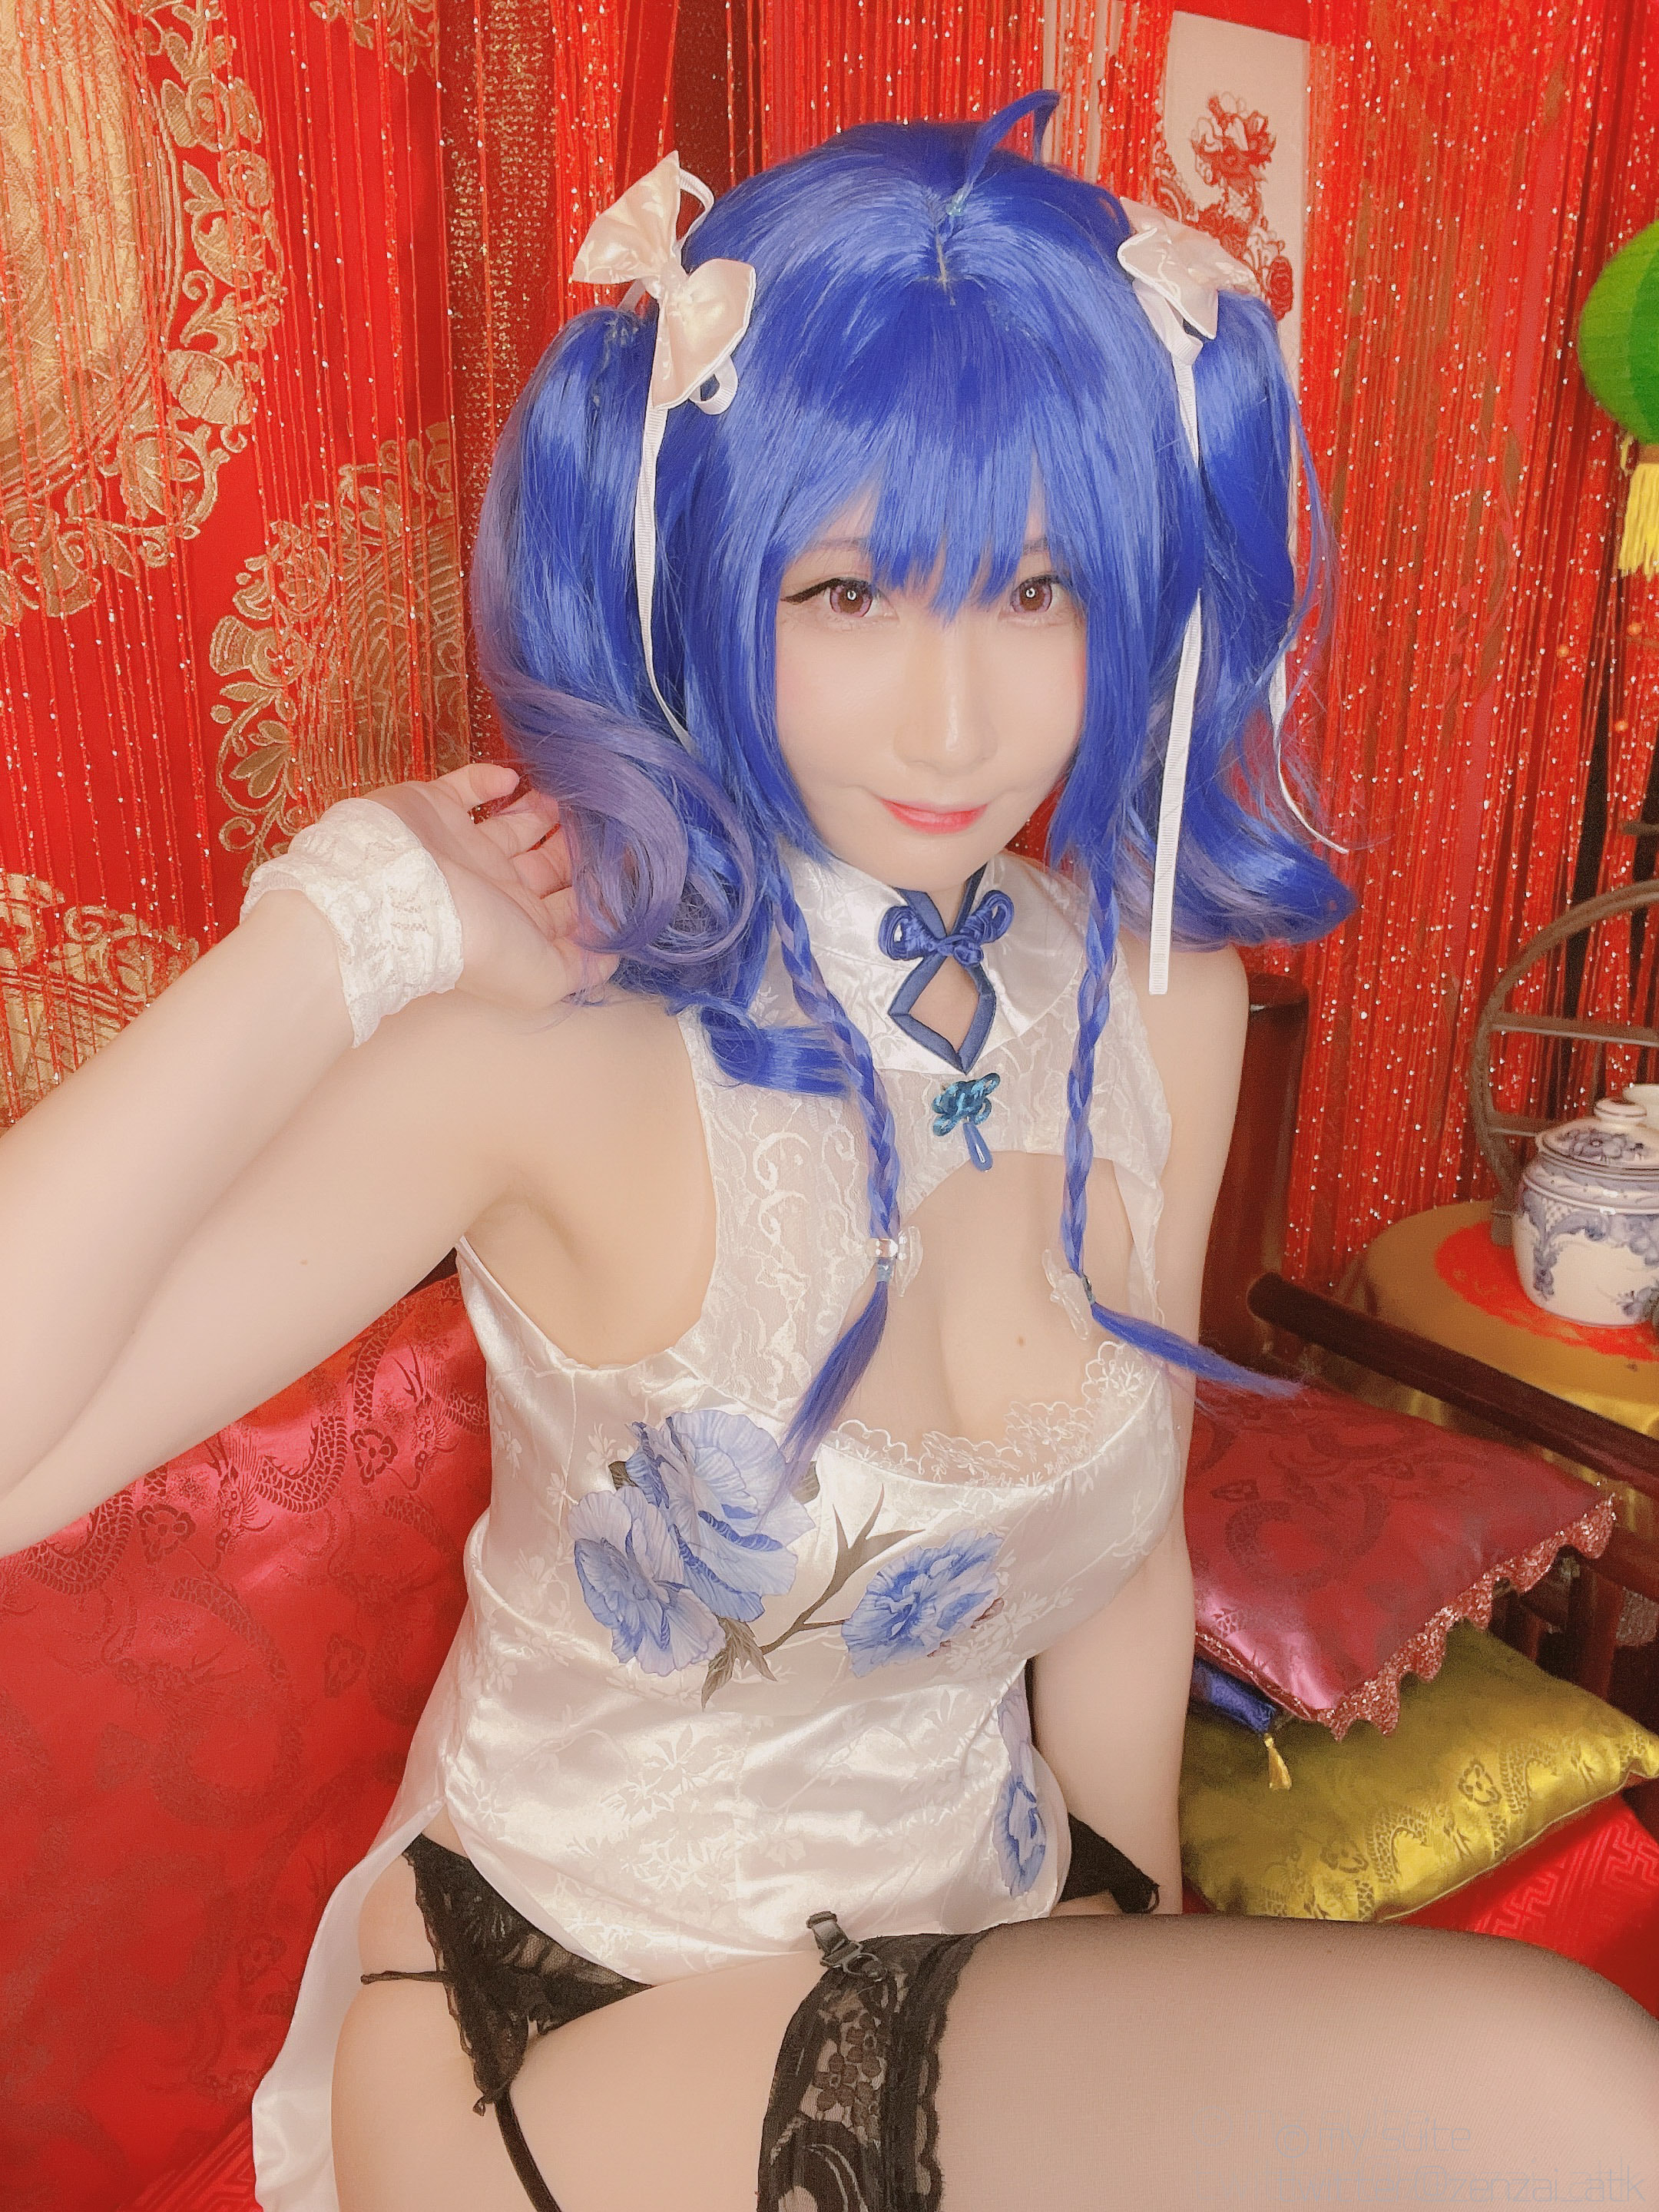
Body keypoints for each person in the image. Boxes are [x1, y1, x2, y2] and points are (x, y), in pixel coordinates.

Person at [2, 91, 1654, 2212]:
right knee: (1553, 2095)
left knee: (1572, 2106)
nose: (958, 723)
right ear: (703, 573)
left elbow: (1125, 1558)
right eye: (854, 589)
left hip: (978, 1939)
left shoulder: (1151, 997)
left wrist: (1136, 1920)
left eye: (1038, 589)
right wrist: (330, 939)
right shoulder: (559, 1052)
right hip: (565, 2011)